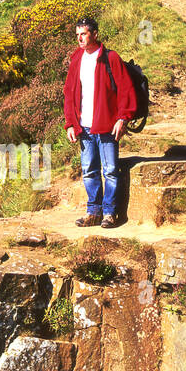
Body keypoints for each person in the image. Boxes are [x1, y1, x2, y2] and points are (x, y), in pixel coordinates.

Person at [63, 16, 136, 228]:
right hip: (84, 127)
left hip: (106, 125)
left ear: (95, 34)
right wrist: (70, 123)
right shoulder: (76, 58)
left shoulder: (110, 58)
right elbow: (69, 93)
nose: (80, 39)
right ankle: (93, 212)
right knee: (89, 170)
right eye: (77, 35)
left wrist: (123, 118)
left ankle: (110, 213)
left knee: (111, 171)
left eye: (83, 34)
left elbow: (125, 90)